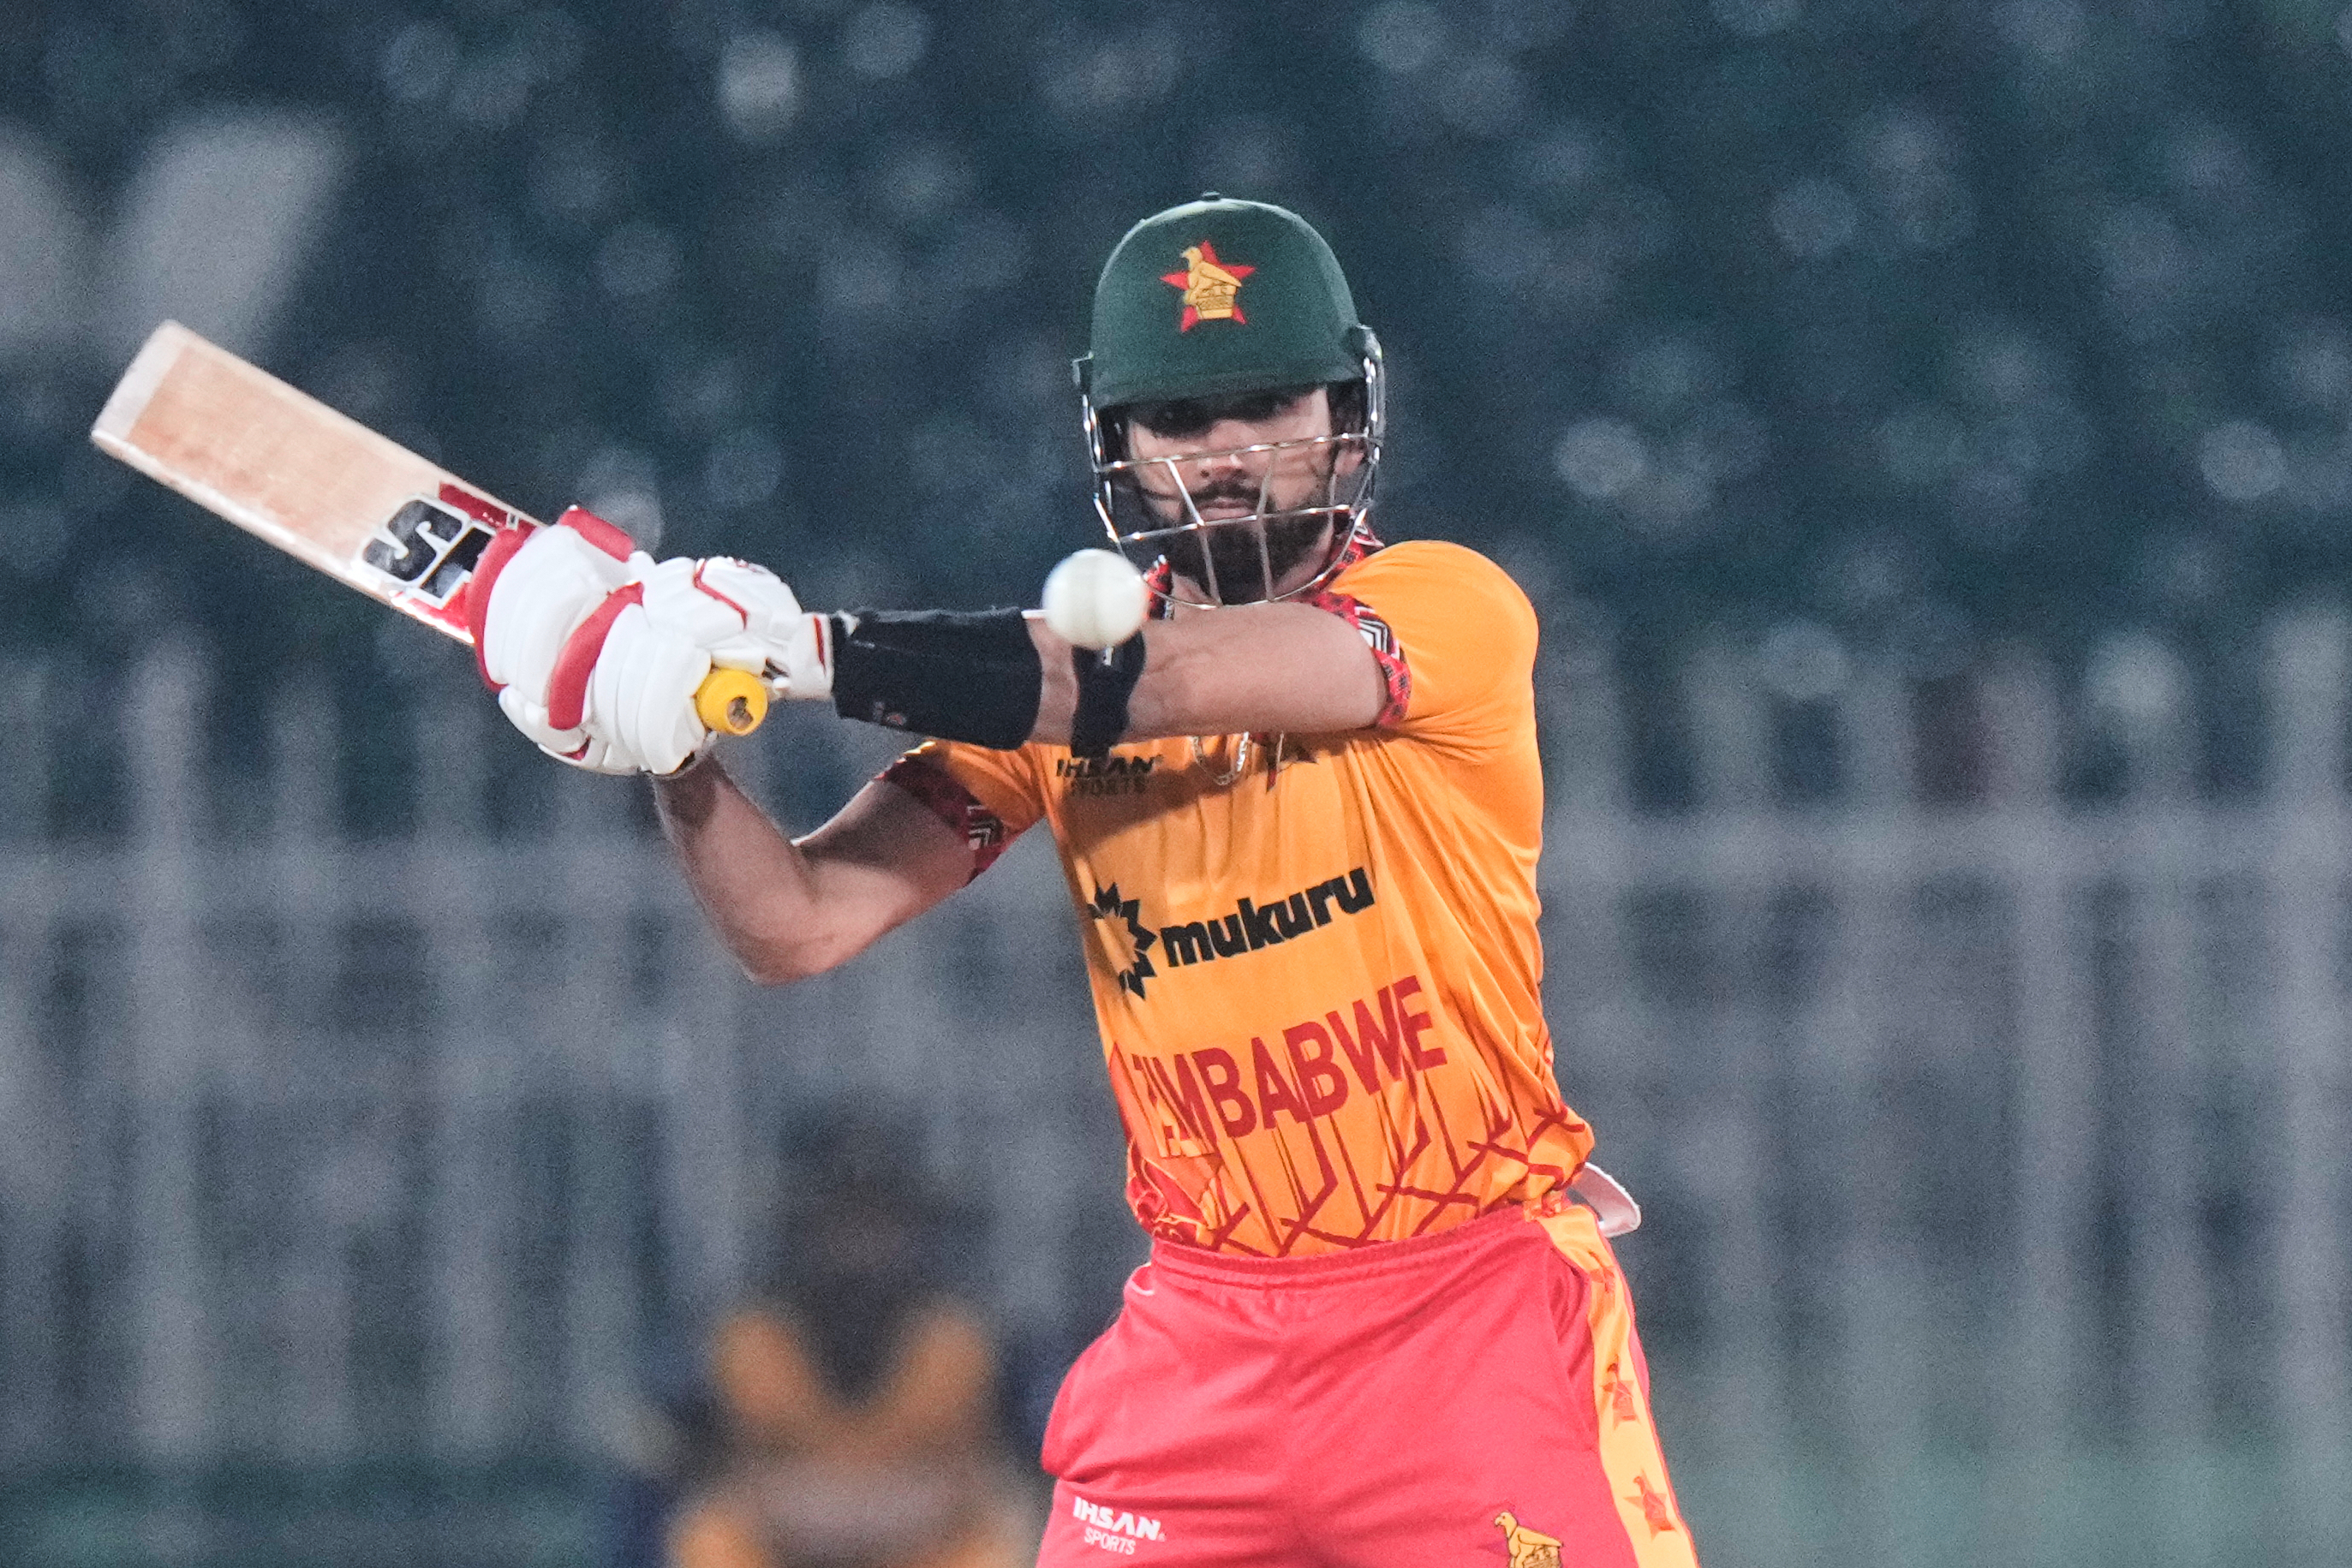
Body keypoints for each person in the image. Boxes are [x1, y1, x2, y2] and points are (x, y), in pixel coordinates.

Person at [471, 195, 1699, 1567]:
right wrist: (670, 746)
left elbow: (1162, 681)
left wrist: (795, 649)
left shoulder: (1448, 609)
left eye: (1265, 405)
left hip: (1463, 1323)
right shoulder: (1051, 713)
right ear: (1115, 443)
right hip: (1202, 1348)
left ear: (1346, 410)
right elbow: (797, 926)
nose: (1229, 453)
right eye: (1179, 419)